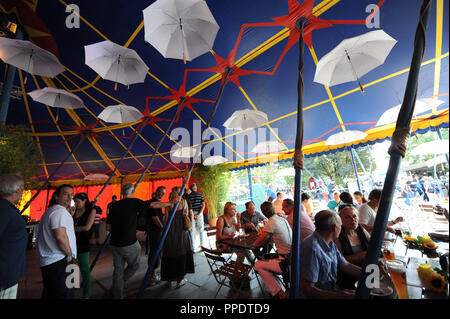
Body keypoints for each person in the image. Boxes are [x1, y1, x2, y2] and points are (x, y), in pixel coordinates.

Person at [300, 210, 361, 299]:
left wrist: (369, 273)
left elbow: (345, 265)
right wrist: (339, 295)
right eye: (340, 225)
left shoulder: (329, 242)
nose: (341, 228)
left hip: (332, 290)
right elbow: (307, 289)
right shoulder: (312, 248)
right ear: (334, 228)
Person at [36, 184, 77, 299]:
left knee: (51, 293)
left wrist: (69, 215)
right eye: (65, 194)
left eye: (71, 195)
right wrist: (69, 254)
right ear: (56, 197)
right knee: (65, 294)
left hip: (52, 261)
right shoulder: (59, 212)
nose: (69, 197)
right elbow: (60, 237)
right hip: (60, 261)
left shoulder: (55, 211)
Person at [106, 183, 145, 299]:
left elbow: (108, 227)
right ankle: (120, 283)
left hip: (114, 243)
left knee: (118, 269)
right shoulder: (134, 202)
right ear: (132, 192)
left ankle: (117, 293)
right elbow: (153, 204)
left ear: (122, 192)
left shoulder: (113, 205)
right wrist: (171, 203)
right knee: (135, 264)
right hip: (128, 242)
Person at [254, 202, 292, 299]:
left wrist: (264, 237)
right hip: (295, 258)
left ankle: (279, 292)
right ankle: (280, 287)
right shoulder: (282, 219)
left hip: (286, 264)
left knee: (257, 264)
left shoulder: (271, 222)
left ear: (263, 212)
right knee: (267, 257)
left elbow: (257, 244)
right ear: (274, 208)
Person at [160, 187, 194, 289]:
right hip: (182, 232)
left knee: (170, 253)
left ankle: (169, 280)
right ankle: (180, 280)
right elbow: (188, 214)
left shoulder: (169, 204)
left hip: (170, 232)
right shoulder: (184, 202)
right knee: (181, 252)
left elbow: (165, 220)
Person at [0, 174, 27, 299]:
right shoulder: (5, 210)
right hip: (4, 275)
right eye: (22, 188)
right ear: (17, 190)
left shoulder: (6, 208)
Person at [145, 186, 178, 285]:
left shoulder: (157, 203)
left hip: (155, 231)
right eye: (161, 192)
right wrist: (163, 228)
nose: (163, 194)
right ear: (157, 192)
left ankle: (152, 274)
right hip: (155, 231)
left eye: (164, 192)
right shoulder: (155, 202)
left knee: (155, 252)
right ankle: (153, 276)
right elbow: (155, 217)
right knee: (156, 252)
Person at [335, 205, 371, 289]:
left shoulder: (360, 229)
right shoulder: (338, 235)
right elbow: (338, 260)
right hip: (349, 276)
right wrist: (357, 257)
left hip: (367, 270)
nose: (353, 220)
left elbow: (373, 245)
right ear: (340, 221)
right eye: (347, 217)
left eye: (354, 216)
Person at [72, 193, 97, 299]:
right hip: (72, 242)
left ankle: (86, 294)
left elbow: (87, 227)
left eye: (78, 201)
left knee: (84, 268)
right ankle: (72, 290)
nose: (76, 204)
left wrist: (72, 229)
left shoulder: (91, 211)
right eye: (75, 201)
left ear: (85, 200)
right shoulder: (73, 211)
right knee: (72, 267)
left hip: (83, 242)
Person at [186, 183, 206, 252]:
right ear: (195, 188)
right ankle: (202, 246)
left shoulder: (188, 196)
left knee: (191, 231)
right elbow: (203, 206)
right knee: (201, 229)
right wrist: (198, 214)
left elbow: (187, 206)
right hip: (199, 214)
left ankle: (193, 248)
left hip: (191, 213)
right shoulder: (200, 195)